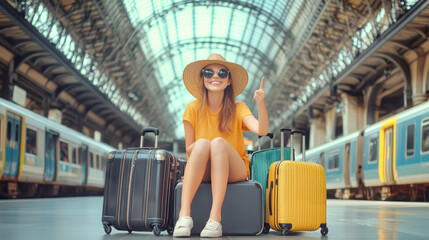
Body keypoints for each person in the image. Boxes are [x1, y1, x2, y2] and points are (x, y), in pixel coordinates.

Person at [173, 53, 269, 238]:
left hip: (236, 169)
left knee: (217, 143)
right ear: (203, 79)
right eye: (208, 72)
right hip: (205, 166)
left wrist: (261, 103)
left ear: (229, 81)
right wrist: (205, 144)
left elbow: (261, 130)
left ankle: (215, 219)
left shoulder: (238, 107)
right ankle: (184, 216)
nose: (215, 76)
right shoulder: (191, 109)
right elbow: (189, 150)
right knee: (201, 144)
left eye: (222, 73)